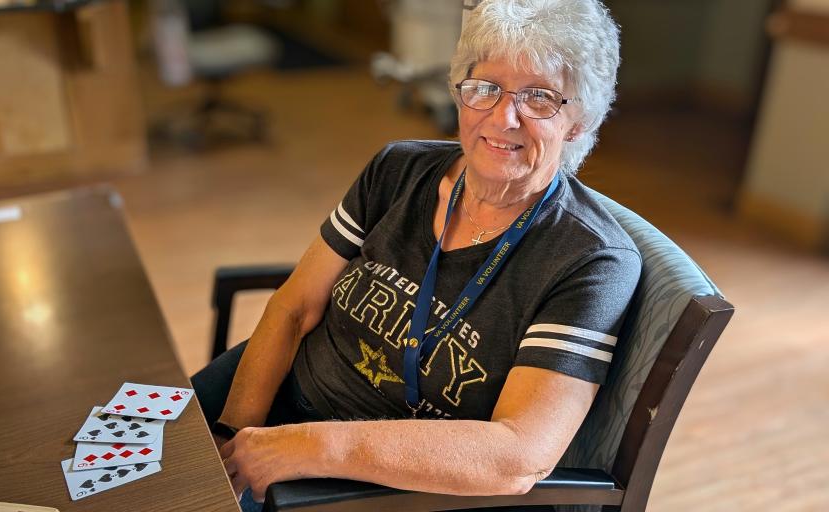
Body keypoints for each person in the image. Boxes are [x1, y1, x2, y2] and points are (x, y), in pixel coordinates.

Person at [191, 0, 639, 509]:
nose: (503, 116)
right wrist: (236, 437)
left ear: (579, 120)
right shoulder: (398, 169)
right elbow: (294, 308)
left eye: (539, 97)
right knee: (125, 463)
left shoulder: (590, 259)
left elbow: (519, 456)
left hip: (381, 483)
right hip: (278, 406)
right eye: (485, 88)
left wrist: (306, 447)